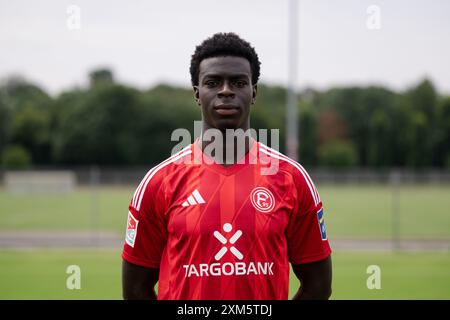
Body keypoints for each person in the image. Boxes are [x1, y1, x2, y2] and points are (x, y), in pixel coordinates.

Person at [122, 32, 332, 300]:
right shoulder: (159, 182)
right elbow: (135, 289)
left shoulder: (291, 178)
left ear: (253, 92)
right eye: (213, 82)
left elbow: (318, 286)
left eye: (238, 82)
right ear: (198, 94)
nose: (225, 90)